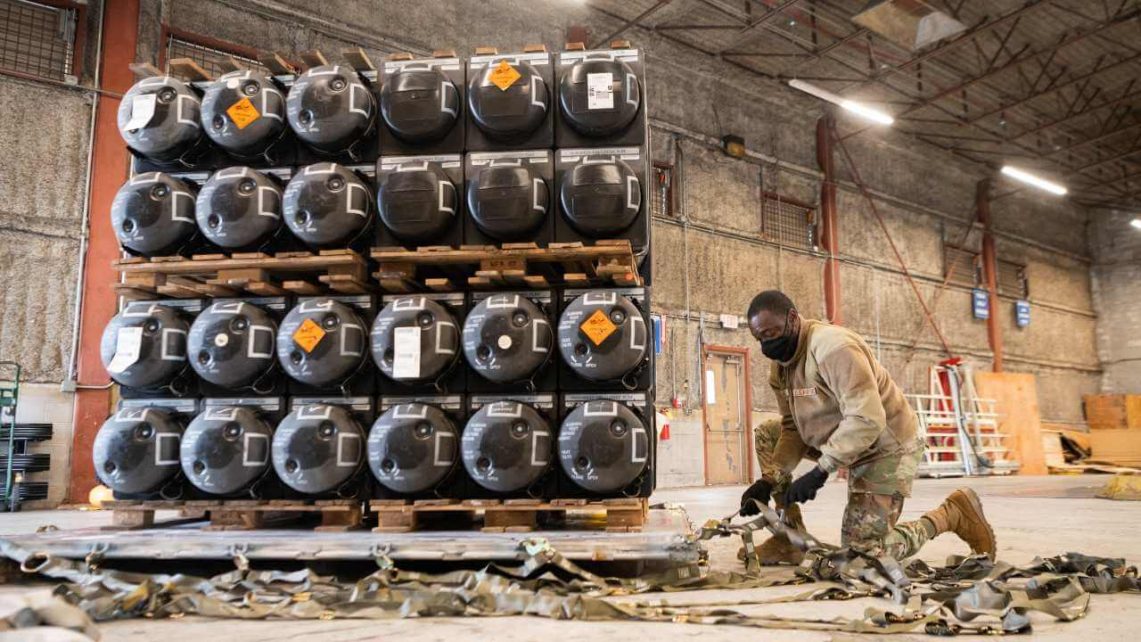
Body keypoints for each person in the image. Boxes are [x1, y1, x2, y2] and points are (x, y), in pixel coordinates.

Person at [739, 290, 996, 564]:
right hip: (841, 437)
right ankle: (787, 538)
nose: (767, 344)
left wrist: (821, 469)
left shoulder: (833, 348)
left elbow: (868, 418)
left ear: (792, 318)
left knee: (861, 555)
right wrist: (771, 479)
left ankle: (951, 514)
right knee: (768, 433)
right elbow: (792, 426)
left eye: (772, 333)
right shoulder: (781, 367)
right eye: (760, 338)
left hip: (887, 446)